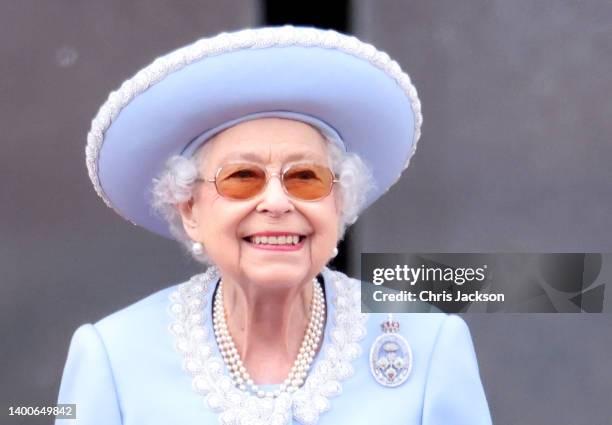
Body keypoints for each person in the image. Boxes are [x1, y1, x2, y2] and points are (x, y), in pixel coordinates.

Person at [57, 26, 492, 424]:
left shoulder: (430, 343)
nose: (277, 203)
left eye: (306, 178)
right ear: (190, 209)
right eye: (241, 178)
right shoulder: (113, 357)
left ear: (339, 203)